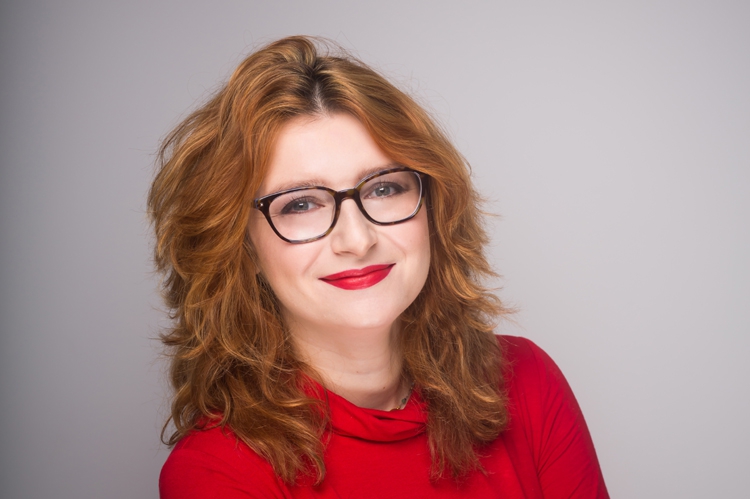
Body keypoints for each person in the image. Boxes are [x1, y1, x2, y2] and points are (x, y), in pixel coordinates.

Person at [150, 36, 609, 498]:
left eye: (383, 188)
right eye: (301, 203)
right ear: (241, 246)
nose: (357, 239)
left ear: (433, 206)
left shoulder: (526, 382)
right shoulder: (215, 474)